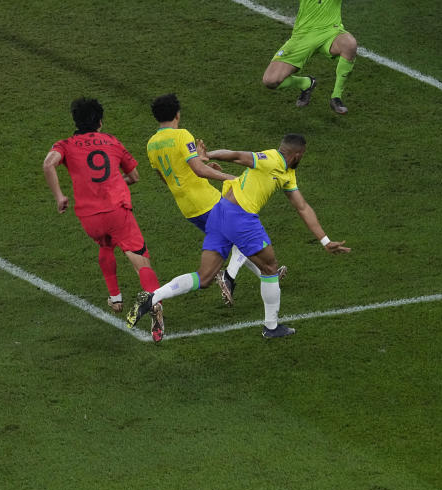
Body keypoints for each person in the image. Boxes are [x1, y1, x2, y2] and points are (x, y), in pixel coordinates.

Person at [125, 133, 350, 339]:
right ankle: (271, 327)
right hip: (240, 217)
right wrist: (207, 155)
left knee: (204, 277)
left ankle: (152, 297)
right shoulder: (270, 158)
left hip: (219, 213)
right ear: (297, 155)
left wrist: (325, 240)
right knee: (270, 267)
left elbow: (303, 207)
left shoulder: (288, 174)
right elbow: (237, 156)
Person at [42, 97, 166, 342]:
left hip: (89, 217)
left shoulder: (64, 144)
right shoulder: (112, 141)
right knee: (139, 260)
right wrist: (119, 181)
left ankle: (115, 296)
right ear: (99, 121)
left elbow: (48, 165)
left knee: (105, 244)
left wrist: (59, 197)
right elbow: (134, 176)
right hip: (117, 211)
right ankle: (155, 301)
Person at [146, 93, 286, 306]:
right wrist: (230, 177)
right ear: (177, 114)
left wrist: (204, 167)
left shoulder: (151, 144)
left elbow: (169, 176)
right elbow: (198, 170)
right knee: (240, 231)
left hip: (188, 208)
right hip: (207, 200)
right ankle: (229, 277)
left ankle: (265, 275)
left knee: (233, 238)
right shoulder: (181, 135)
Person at [262, 0, 372, 115]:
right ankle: (306, 83)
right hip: (303, 35)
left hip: (331, 31)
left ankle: (336, 97)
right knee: (270, 81)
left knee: (350, 44)